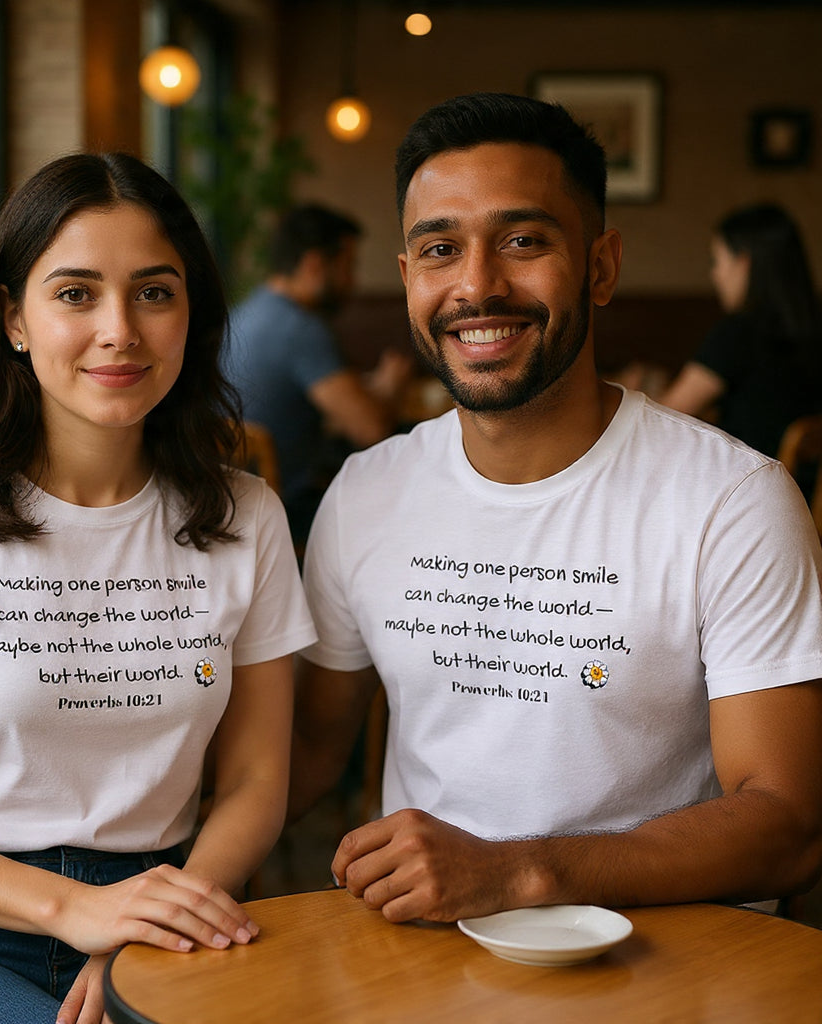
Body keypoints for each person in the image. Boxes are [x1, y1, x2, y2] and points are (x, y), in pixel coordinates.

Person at [0, 152, 317, 1024]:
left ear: (191, 315)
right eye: (75, 294)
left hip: (164, 912)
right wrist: (74, 910)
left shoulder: (248, 515)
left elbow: (256, 780)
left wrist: (160, 917)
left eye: (155, 292)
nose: (119, 329)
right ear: (14, 318)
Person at [290, 92, 822, 925]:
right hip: (425, 963)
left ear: (602, 266)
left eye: (524, 241)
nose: (477, 285)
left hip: (671, 966)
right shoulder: (366, 491)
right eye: (440, 249)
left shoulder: (732, 501)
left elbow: (788, 824)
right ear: (407, 280)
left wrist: (517, 871)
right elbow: (312, 751)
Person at [224, 203, 412, 547]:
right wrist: (389, 388)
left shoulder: (249, 311)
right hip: (286, 510)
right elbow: (370, 429)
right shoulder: (301, 328)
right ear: (314, 265)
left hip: (235, 503)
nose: (352, 282)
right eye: (347, 267)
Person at [657, 202, 822, 457]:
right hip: (808, 488)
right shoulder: (812, 324)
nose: (715, 274)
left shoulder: (740, 333)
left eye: (717, 261)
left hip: (755, 487)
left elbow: (666, 416)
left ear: (743, 262)